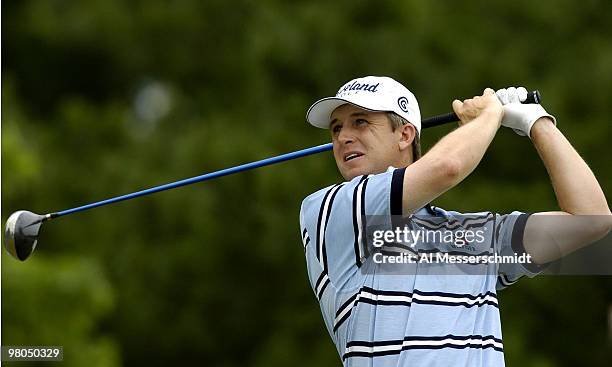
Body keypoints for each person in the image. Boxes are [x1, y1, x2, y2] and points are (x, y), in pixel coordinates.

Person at [298, 76, 611, 367]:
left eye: (360, 122)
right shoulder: (329, 209)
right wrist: (492, 114)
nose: (343, 138)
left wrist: (537, 122)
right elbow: (448, 166)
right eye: (337, 129)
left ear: (405, 134)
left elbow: (591, 218)